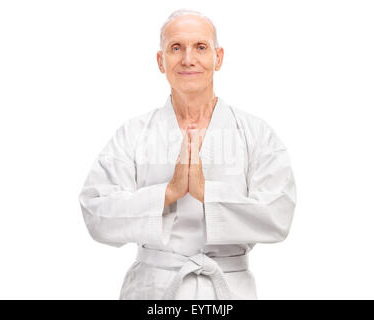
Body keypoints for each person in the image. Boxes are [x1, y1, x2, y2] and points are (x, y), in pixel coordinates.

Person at [78, 8, 297, 300]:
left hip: (228, 290)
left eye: (201, 47)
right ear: (160, 61)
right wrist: (168, 193)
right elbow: (96, 212)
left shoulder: (255, 133)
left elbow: (278, 216)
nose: (188, 59)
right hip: (153, 290)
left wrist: (206, 193)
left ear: (218, 58)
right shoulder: (134, 133)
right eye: (176, 48)